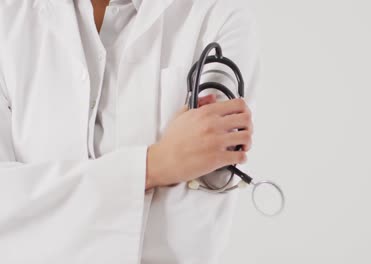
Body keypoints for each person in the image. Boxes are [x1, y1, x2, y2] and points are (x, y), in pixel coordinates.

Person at [0, 0, 259, 263]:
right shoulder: (8, 19)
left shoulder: (219, 16)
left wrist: (41, 204)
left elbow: (191, 227)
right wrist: (155, 165)